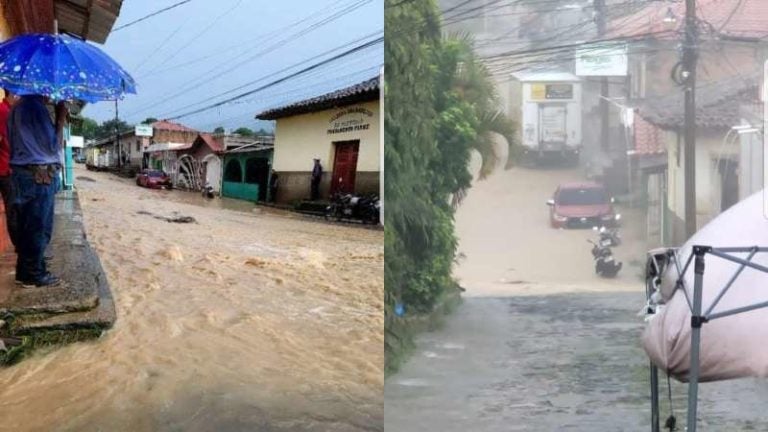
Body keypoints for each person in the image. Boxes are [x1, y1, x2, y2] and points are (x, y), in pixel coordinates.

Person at [8, 95, 66, 287]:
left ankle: (27, 270)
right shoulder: (35, 108)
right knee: (38, 227)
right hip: (38, 176)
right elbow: (52, 147)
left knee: (27, 225)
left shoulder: (17, 107)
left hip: (22, 172)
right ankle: (33, 274)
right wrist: (60, 119)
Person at [0, 89, 19, 250]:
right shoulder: (4, 112)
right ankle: (20, 247)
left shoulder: (8, 111)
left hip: (9, 167)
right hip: (6, 169)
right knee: (13, 210)